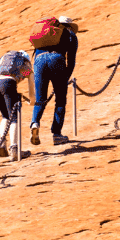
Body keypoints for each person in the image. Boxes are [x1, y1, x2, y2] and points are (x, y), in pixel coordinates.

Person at [29, 16, 83, 147]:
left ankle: (35, 123)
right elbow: (71, 61)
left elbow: (36, 52)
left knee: (40, 98)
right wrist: (65, 79)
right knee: (60, 100)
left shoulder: (48, 32)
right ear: (70, 26)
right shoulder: (70, 35)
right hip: (56, 60)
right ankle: (57, 134)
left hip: (39, 61)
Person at [0, 49, 34, 158]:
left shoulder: (7, 61)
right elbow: (31, 85)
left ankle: (2, 144)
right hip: (8, 83)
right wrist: (32, 101)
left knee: (5, 116)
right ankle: (14, 149)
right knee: (14, 118)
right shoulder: (25, 67)